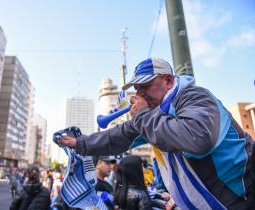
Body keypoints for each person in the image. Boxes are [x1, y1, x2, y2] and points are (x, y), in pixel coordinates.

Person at [58, 57, 254, 209]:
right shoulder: (154, 116)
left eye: (145, 86)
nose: (139, 94)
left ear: (168, 81)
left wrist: (142, 115)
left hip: (242, 196)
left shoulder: (194, 96)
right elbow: (118, 136)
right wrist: (79, 143)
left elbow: (198, 139)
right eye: (137, 89)